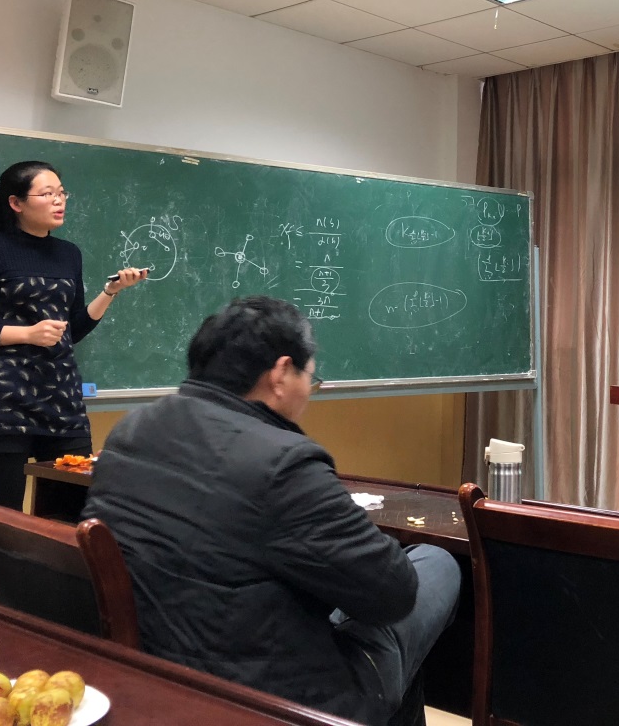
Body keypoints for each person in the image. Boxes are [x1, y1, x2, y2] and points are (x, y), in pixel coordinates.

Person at [82, 296, 460, 726]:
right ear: (281, 374)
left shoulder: (130, 431)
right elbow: (393, 594)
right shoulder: (283, 462)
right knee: (437, 564)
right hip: (280, 701)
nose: (309, 393)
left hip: (156, 672)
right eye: (311, 378)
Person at [0, 160, 146, 508]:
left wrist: (110, 292)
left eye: (61, 193)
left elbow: (71, 331)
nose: (58, 200)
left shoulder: (68, 254)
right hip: (0, 401)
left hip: (60, 397)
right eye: (47, 194)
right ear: (16, 203)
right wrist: (26, 334)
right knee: (2, 515)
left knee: (69, 511)